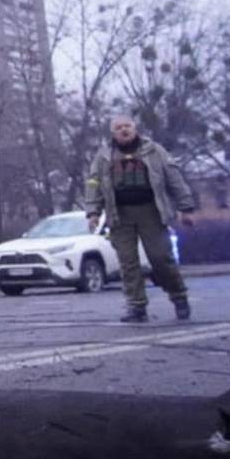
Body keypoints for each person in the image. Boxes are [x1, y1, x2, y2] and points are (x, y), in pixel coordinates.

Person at [83, 114, 197, 323]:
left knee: (161, 258)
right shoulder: (104, 156)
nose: (124, 130)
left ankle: (179, 296)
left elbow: (174, 179)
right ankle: (136, 306)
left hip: (151, 212)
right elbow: (93, 184)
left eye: (127, 126)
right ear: (112, 132)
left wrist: (186, 208)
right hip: (119, 214)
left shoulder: (154, 151)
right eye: (118, 128)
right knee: (128, 262)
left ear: (135, 128)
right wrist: (93, 213)